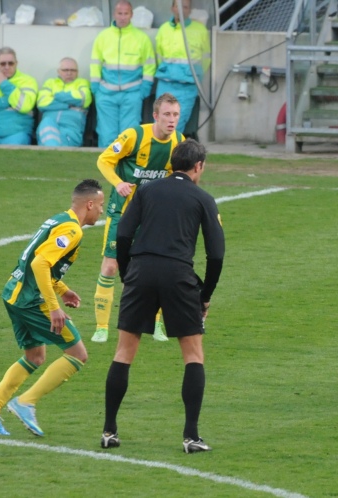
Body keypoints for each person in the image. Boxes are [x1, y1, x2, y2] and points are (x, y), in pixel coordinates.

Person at [100, 139, 225, 453]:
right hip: (178, 274)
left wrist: (129, 275)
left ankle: (109, 431)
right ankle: (191, 436)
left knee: (124, 352)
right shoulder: (203, 198)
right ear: (198, 167)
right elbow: (216, 254)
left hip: (141, 270)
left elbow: (124, 233)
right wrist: (204, 295)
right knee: (193, 354)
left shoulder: (146, 190)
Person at [0, 180, 104, 437]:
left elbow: (38, 260)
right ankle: (25, 402)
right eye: (100, 205)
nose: (101, 211)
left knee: (35, 357)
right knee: (78, 354)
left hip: (13, 292)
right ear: (89, 204)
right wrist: (54, 307)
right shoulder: (73, 231)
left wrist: (62, 288)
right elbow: (41, 264)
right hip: (31, 300)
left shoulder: (57, 220)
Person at [92, 93, 185, 343]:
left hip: (154, 216)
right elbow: (103, 160)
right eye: (167, 114)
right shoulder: (135, 136)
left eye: (176, 114)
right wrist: (119, 183)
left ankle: (156, 325)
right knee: (111, 266)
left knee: (155, 269)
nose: (172, 120)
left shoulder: (179, 141)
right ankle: (101, 327)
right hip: (122, 212)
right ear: (155, 115)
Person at [90, 0, 156, 148]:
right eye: (120, 13)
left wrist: (146, 85)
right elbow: (95, 63)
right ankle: (106, 166)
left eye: (126, 13)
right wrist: (95, 85)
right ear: (114, 14)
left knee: (129, 134)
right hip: (106, 92)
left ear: (131, 15)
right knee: (107, 133)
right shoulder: (103, 37)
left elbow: (149, 64)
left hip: (132, 92)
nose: (122, 17)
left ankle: (127, 167)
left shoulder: (141, 38)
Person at [155, 0, 211, 134]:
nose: (181, 10)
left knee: (176, 124)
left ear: (189, 10)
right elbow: (158, 55)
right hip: (165, 83)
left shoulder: (199, 30)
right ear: (172, 8)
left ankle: (173, 153)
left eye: (185, 7)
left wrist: (194, 75)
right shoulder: (164, 29)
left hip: (187, 85)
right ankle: (158, 153)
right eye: (178, 6)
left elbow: (206, 59)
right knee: (159, 123)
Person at [36, 58, 92, 147]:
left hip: (71, 129)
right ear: (58, 71)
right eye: (65, 70)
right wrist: (68, 105)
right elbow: (42, 103)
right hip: (48, 127)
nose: (69, 73)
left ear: (77, 72)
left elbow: (84, 100)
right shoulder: (50, 83)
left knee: (53, 140)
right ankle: (54, 152)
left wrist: (55, 96)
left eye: (73, 70)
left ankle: (52, 152)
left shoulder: (82, 83)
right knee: (47, 122)